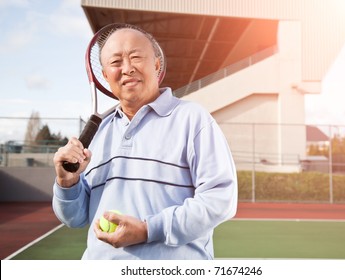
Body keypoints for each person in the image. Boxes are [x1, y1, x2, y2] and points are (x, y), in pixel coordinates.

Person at [52, 24, 237, 260]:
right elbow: (75, 218)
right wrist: (67, 182)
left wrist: (147, 230)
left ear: (157, 65)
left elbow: (220, 200)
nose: (127, 68)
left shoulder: (193, 119)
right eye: (116, 62)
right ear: (105, 75)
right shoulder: (97, 135)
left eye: (136, 57)